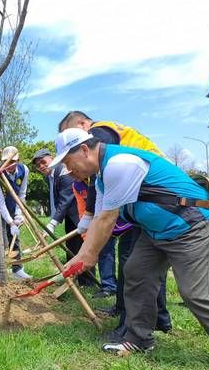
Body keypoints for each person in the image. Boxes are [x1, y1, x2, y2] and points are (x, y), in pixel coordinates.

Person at [54, 127, 209, 370]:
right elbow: (97, 219)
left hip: (191, 226)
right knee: (136, 273)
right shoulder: (101, 178)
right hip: (156, 232)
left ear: (85, 150)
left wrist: (89, 257)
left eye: (68, 161)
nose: (68, 169)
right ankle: (139, 338)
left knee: (198, 293)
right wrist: (79, 257)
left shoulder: (120, 164)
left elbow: (108, 219)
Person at [58, 111, 171, 340]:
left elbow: (96, 178)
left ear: (82, 125)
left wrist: (89, 222)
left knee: (135, 265)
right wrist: (89, 219)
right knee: (135, 262)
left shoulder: (98, 134)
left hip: (154, 195)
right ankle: (142, 314)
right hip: (141, 197)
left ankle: (133, 324)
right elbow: (99, 183)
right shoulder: (110, 133)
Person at [31, 148, 92, 285]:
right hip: (70, 217)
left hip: (79, 215)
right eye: (38, 165)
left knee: (83, 246)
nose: (41, 166)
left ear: (51, 158)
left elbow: (65, 199)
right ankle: (76, 277)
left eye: (43, 162)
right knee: (72, 247)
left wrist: (52, 222)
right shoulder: (52, 176)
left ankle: (88, 281)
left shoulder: (63, 172)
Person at [0, 146, 32, 280]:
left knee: (15, 238)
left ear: (18, 160)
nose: (10, 165)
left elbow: (21, 194)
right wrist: (10, 222)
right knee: (0, 237)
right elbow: (0, 202)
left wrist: (18, 215)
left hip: (13, 205)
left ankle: (17, 268)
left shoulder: (24, 170)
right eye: (7, 161)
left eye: (13, 161)